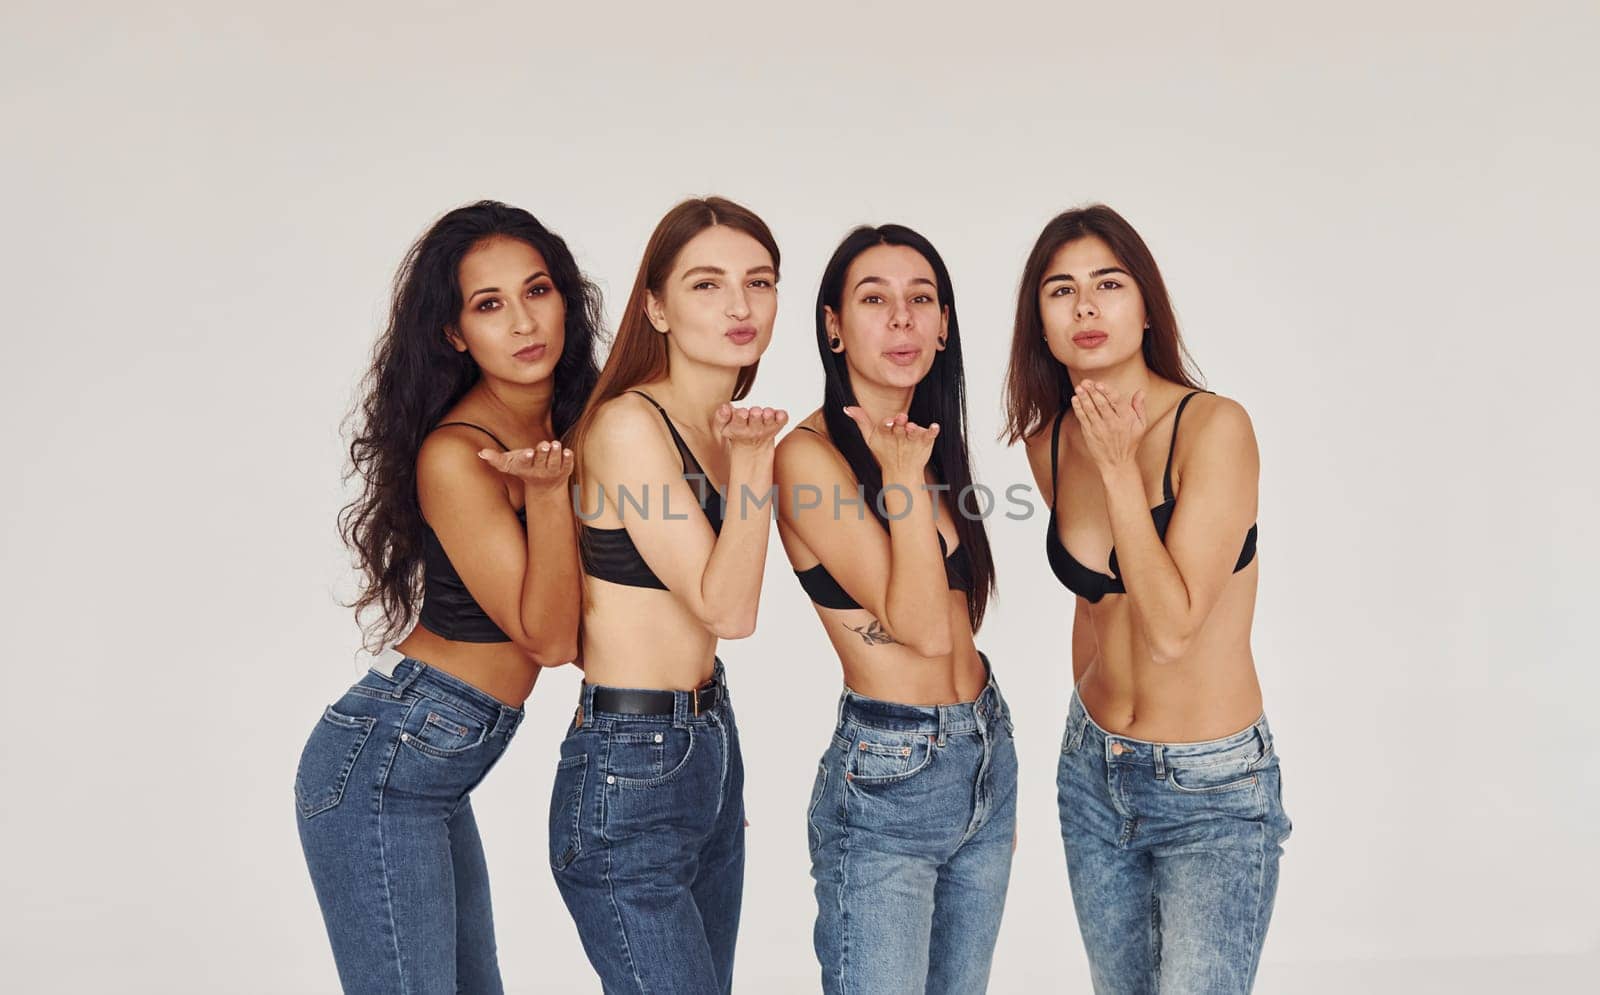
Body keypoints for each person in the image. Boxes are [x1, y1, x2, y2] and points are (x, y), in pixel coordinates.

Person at [293, 200, 600, 994]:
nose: (524, 322)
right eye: (488, 305)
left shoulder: (579, 426)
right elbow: (552, 638)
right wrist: (550, 494)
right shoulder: (460, 454)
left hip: (431, 770)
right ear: (456, 334)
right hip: (385, 762)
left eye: (537, 291)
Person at [1004, 204, 1291, 994]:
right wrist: (1087, 735)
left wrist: (1122, 469)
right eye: (1061, 290)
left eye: (1108, 283)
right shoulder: (1051, 441)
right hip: (1096, 772)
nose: (1086, 307)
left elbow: (1170, 627)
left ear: (1145, 304)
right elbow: (1093, 603)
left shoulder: (1215, 427)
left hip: (1211, 788)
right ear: (1041, 320)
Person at [548, 196, 786, 994]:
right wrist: (755, 464)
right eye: (707, 284)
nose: (741, 305)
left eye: (759, 281)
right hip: (630, 761)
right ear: (656, 305)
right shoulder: (628, 427)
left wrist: (710, 770)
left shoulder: (723, 426)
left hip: (703, 743)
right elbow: (731, 610)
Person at [775, 224, 1014, 995]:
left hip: (983, 751)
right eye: (873, 299)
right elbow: (914, 624)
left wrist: (913, 465)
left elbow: (956, 617)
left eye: (921, 299)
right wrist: (904, 476)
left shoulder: (929, 443)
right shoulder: (806, 457)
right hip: (889, 774)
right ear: (834, 327)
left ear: (944, 325)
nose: (902, 318)